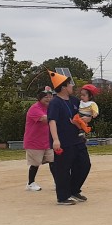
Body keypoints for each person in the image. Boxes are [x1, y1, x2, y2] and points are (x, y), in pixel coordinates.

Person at [46, 71, 92, 205]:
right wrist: (55, 140)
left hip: (77, 138)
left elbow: (84, 114)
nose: (72, 86)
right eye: (70, 84)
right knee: (63, 168)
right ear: (63, 87)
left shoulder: (75, 100)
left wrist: (88, 118)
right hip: (63, 141)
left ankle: (74, 190)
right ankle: (63, 196)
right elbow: (52, 121)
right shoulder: (55, 103)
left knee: (84, 164)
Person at [23, 87, 54, 192]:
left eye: (50, 96)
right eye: (46, 97)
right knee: (35, 164)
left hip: (48, 141)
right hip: (34, 142)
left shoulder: (51, 108)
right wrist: (58, 116)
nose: (48, 99)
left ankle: (58, 181)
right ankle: (30, 183)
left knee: (53, 161)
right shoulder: (35, 108)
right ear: (40, 98)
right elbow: (45, 119)